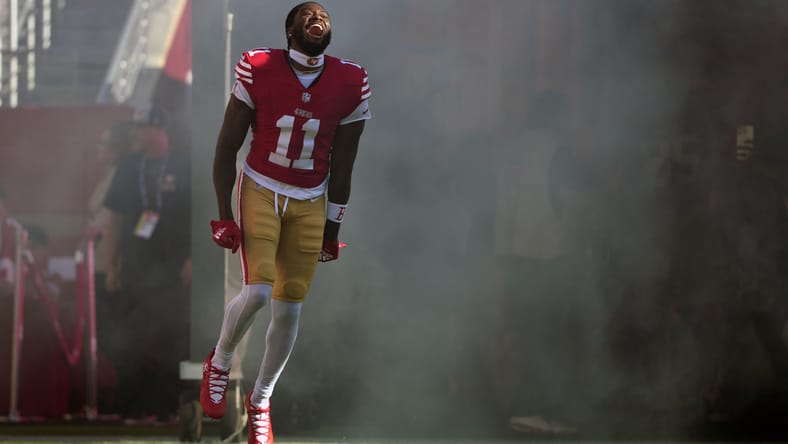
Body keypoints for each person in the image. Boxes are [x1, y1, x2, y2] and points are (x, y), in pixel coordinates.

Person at [199, 2, 371, 443]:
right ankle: (219, 361)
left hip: (311, 197)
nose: (319, 17)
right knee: (257, 292)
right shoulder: (259, 66)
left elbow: (344, 167)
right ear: (290, 29)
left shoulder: (351, 81)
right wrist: (223, 213)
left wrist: (334, 229)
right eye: (308, 14)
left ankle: (261, 401)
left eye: (325, 14)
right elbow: (226, 148)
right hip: (261, 186)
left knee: (290, 307)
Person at [103, 104, 191, 422]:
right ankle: (135, 406)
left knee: (171, 337)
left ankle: (168, 406)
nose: (134, 134)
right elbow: (114, 217)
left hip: (173, 267)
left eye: (140, 127)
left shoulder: (183, 163)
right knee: (131, 336)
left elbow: (203, 213)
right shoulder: (128, 166)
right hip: (136, 266)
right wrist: (111, 264)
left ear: (158, 129)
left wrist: (195, 259)